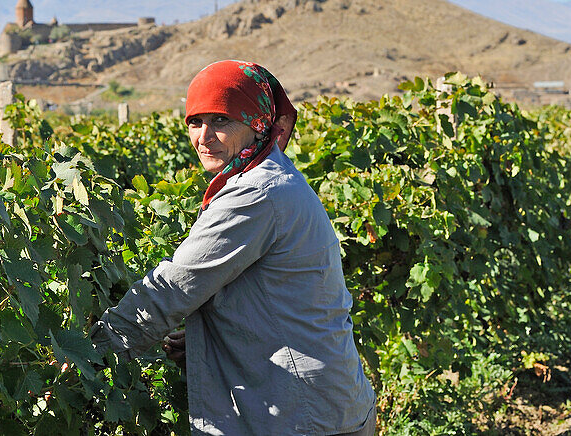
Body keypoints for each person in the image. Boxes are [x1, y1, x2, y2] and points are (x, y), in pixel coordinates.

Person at [90, 60, 376, 435]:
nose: (203, 136)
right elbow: (275, 301)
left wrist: (89, 354)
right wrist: (208, 341)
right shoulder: (272, 177)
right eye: (195, 121)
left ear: (257, 122)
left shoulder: (257, 193)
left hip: (303, 417)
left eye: (221, 121)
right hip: (321, 406)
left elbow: (173, 287)